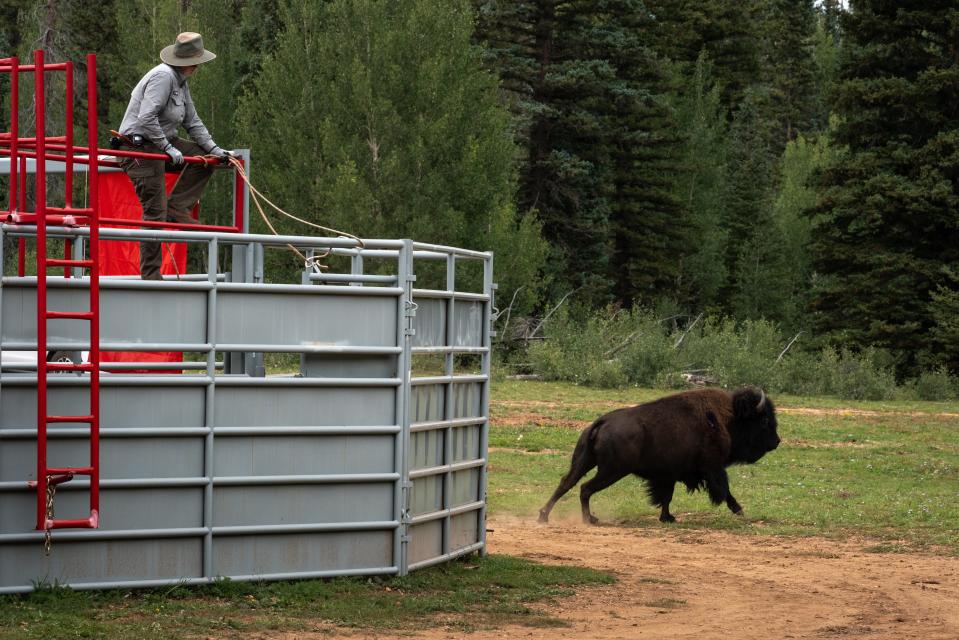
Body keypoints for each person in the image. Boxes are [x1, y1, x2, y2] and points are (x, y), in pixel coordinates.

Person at [115, 32, 232, 280]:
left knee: (203, 159)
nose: (199, 66)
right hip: (138, 148)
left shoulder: (179, 81)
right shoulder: (163, 77)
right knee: (154, 210)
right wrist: (168, 149)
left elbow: (192, 120)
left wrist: (214, 150)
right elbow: (146, 118)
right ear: (190, 62)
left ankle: (176, 207)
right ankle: (151, 275)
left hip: (158, 143)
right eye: (197, 60)